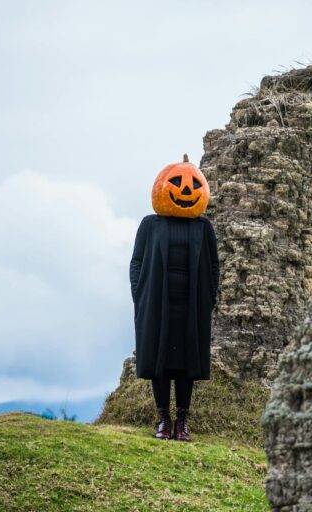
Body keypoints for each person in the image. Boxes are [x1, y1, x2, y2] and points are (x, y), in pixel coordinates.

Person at [129, 155, 219, 441]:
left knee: (186, 364)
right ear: (163, 186)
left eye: (192, 185)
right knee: (160, 361)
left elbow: (214, 266)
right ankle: (162, 419)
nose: (186, 190)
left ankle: (182, 421)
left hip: (191, 304)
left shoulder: (203, 228)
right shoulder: (150, 224)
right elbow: (137, 262)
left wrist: (209, 298)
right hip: (157, 303)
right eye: (178, 183)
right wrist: (140, 296)